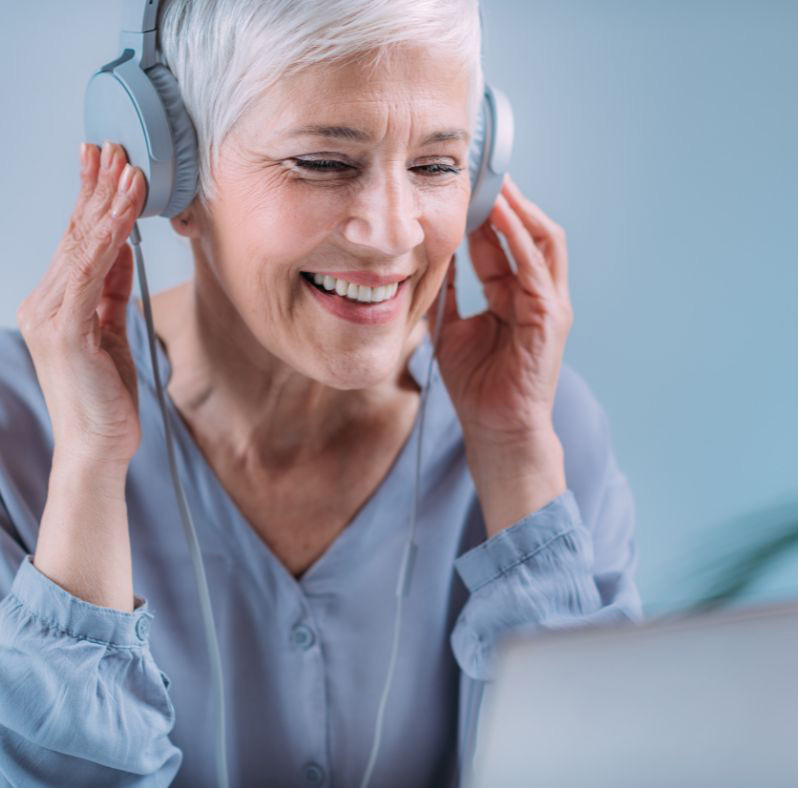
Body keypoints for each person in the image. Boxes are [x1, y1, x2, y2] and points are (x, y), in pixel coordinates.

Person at [0, 0, 643, 785]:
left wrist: (514, 459)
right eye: (325, 163)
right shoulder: (20, 433)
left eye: (438, 165)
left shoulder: (546, 427)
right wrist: (90, 463)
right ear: (168, 172)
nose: (393, 232)